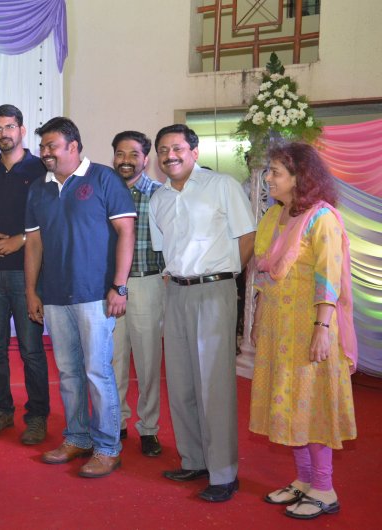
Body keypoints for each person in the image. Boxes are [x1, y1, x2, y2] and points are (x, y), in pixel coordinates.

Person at [249, 142, 357, 520]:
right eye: (269, 171)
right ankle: (304, 479)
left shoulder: (321, 218)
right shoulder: (273, 216)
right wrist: (258, 319)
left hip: (310, 326)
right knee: (288, 402)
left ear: (299, 178)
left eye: (276, 172)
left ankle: (324, 488)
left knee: (310, 405)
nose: (268, 178)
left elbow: (329, 279)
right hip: (278, 327)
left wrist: (322, 328)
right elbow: (264, 274)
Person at [148, 124, 255, 502]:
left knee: (214, 384)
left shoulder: (222, 186)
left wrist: (226, 277)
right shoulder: (159, 199)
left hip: (214, 291)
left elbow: (247, 237)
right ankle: (194, 459)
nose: (170, 155)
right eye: (163, 150)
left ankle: (224, 473)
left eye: (177, 148)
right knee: (181, 383)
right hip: (176, 291)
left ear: (194, 151)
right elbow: (165, 250)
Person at [25, 117, 136, 478]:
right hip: (55, 295)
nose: (45, 152)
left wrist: (119, 286)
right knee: (68, 372)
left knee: (97, 371)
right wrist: (31, 290)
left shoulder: (104, 179)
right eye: (43, 146)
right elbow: (34, 243)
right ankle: (77, 437)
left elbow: (126, 232)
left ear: (73, 146)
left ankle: (107, 448)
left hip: (95, 295)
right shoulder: (39, 188)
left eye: (52, 146)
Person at [0, 104, 50, 445]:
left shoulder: (41, 168)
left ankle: (37, 416)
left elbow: (50, 216)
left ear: (21, 129)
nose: (3, 133)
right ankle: (1, 411)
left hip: (27, 273)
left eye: (9, 127)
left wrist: (21, 240)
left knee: (32, 350)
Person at [109, 130, 164, 457]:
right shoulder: (104, 191)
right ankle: (116, 422)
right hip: (111, 287)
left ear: (146, 159)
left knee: (147, 362)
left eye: (133, 154)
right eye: (120, 154)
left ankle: (149, 428)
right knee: (112, 360)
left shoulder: (159, 194)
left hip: (147, 283)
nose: (126, 160)